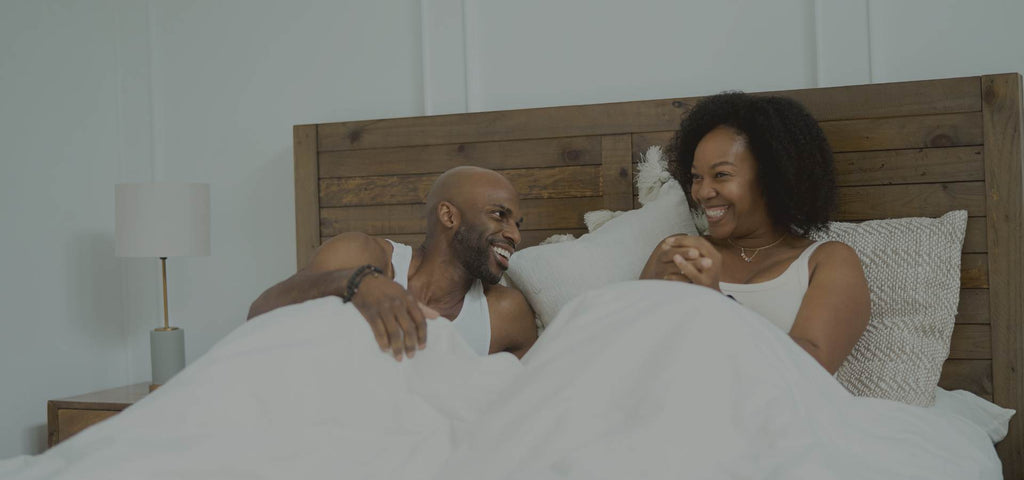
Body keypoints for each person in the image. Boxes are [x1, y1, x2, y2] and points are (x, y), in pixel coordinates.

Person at [640, 92, 870, 374]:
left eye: (721, 175)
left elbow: (808, 374)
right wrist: (648, 294)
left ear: (773, 178)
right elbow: (628, 353)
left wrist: (714, 303)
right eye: (697, 177)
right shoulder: (676, 253)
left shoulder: (828, 261)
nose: (702, 192)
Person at [248, 166, 538, 361]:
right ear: (449, 216)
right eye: (499, 215)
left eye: (516, 223)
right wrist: (357, 282)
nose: (515, 234)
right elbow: (259, 314)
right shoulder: (363, 255)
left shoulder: (506, 314)